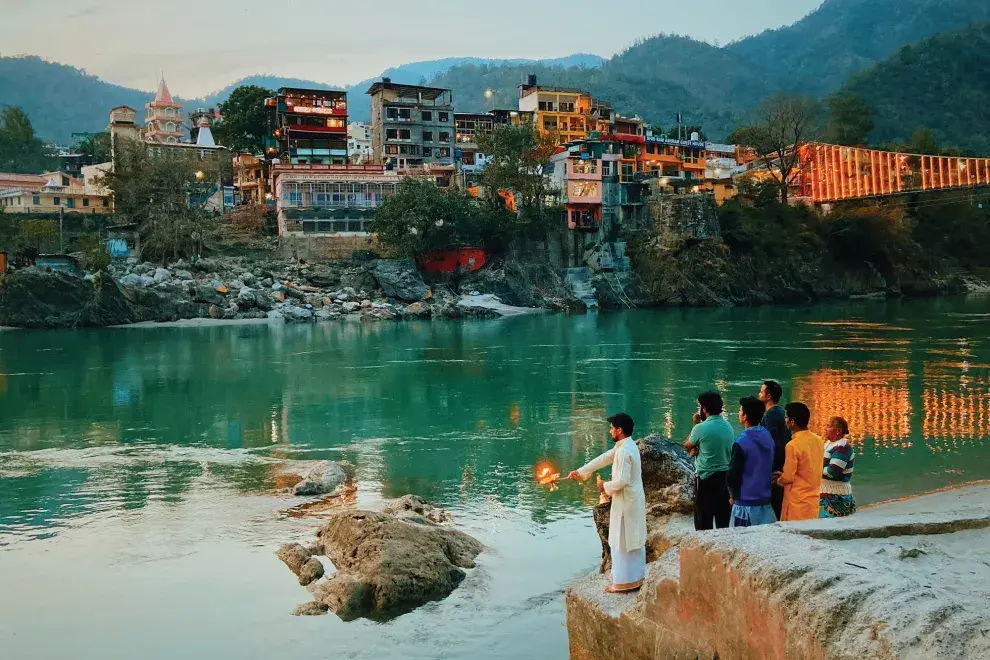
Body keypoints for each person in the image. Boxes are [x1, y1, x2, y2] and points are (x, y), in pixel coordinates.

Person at [568, 413, 647, 594]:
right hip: (630, 500)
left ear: (619, 430)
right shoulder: (626, 446)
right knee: (630, 540)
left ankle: (622, 583)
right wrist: (581, 472)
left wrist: (604, 486)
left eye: (612, 428)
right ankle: (634, 578)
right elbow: (604, 458)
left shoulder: (624, 451)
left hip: (626, 501)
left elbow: (622, 481)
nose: (610, 430)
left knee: (622, 541)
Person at [684, 391, 734, 530]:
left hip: (706, 479)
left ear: (704, 408)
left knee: (703, 522)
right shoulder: (728, 426)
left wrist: (695, 424)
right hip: (725, 478)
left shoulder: (700, 428)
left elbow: (687, 445)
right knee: (723, 521)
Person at [727, 397, 778, 527]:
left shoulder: (741, 443)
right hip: (766, 506)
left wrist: (732, 495)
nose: (739, 413)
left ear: (745, 417)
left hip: (745, 507)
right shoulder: (768, 437)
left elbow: (733, 475)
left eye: (740, 411)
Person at [775, 402, 824, 522]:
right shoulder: (818, 440)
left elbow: (788, 477)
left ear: (792, 422)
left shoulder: (792, 445)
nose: (785, 420)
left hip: (797, 502)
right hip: (813, 499)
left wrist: (779, 480)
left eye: (786, 417)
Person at [759, 380, 790, 520]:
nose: (759, 394)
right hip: (784, 464)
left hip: (774, 468)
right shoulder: (782, 412)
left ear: (768, 396)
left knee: (773, 505)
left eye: (761, 391)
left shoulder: (769, 416)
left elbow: (771, 443)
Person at [820, 416, 856, 518]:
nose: (825, 429)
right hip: (827, 493)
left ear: (838, 430)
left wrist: (815, 469)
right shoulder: (829, 444)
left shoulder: (842, 447)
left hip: (836, 496)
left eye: (828, 426)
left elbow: (833, 471)